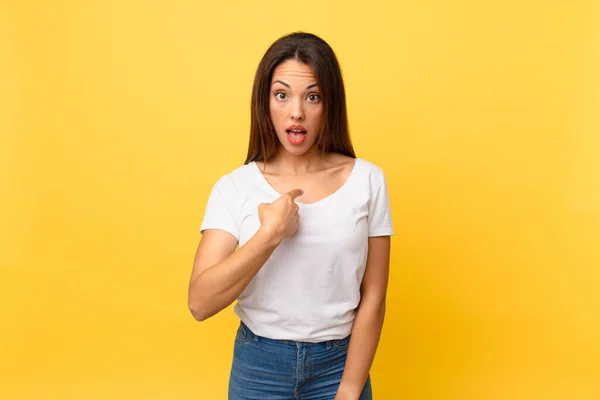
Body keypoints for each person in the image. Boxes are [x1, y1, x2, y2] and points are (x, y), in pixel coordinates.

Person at [188, 32, 394, 400]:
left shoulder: (368, 180)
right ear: (265, 103)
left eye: (312, 96)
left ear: (329, 104)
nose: (296, 111)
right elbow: (200, 303)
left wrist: (349, 388)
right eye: (282, 95)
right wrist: (269, 236)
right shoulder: (235, 187)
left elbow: (374, 297)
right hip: (259, 369)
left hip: (340, 366)